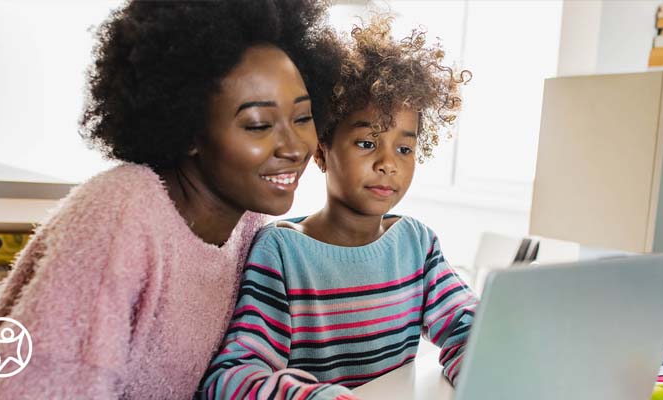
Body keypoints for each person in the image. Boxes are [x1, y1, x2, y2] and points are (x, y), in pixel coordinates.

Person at [0, 1, 342, 398]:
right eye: (258, 125)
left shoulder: (247, 225)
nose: (294, 146)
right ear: (189, 130)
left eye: (303, 118)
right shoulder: (121, 213)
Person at [202, 15, 477, 400]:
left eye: (404, 148)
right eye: (367, 143)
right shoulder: (281, 252)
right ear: (321, 151)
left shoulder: (417, 245)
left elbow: (470, 328)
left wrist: (481, 368)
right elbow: (232, 377)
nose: (388, 163)